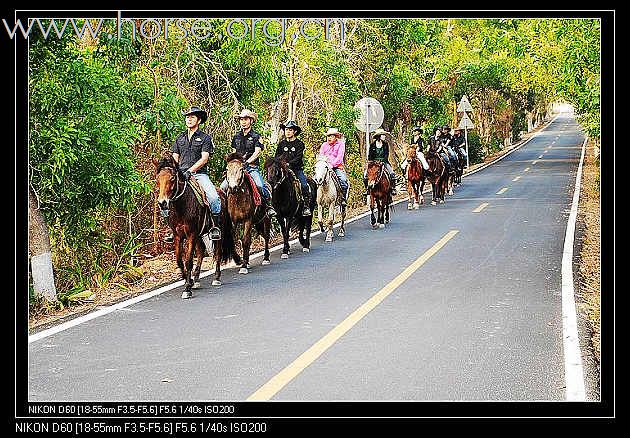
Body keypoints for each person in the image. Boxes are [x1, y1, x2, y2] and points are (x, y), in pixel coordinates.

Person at [171, 106, 222, 241]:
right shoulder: (179, 138)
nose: (189, 119)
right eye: (187, 117)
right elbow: (175, 157)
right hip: (181, 175)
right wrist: (176, 172)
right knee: (166, 197)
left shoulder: (205, 138)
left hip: (199, 174)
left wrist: (190, 171)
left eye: (192, 117)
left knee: (214, 198)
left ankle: (214, 227)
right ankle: (172, 229)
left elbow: (204, 158)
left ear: (198, 120)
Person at [221, 109, 276, 218]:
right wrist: (232, 165)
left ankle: (268, 207)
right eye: (241, 119)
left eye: (245, 119)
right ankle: (224, 213)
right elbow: (234, 153)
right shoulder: (236, 137)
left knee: (260, 186)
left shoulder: (256, 136)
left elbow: (257, 152)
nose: (243, 122)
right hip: (236, 170)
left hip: (251, 168)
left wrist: (247, 162)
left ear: (251, 121)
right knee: (223, 187)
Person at [275, 120, 311, 216]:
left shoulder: (299, 144)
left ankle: (306, 206)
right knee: (273, 183)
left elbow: (298, 157)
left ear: (294, 131)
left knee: (304, 185)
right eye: (286, 130)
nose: (288, 132)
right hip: (283, 170)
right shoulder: (281, 144)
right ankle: (272, 206)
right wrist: (280, 165)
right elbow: (277, 157)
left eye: (290, 130)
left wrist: (289, 164)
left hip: (296, 169)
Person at [319, 128, 349, 206]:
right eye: (328, 136)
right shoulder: (324, 145)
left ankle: (342, 198)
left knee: (343, 181)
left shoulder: (341, 144)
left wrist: (331, 165)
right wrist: (324, 164)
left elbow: (339, 157)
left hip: (336, 167)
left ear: (336, 137)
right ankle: (317, 199)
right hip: (325, 167)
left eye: (331, 136)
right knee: (316, 179)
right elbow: (321, 156)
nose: (329, 138)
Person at [365, 128, 397, 196]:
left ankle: (392, 188)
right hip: (374, 163)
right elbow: (370, 155)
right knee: (365, 175)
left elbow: (386, 154)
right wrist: (371, 162)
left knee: (392, 173)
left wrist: (383, 161)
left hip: (383, 162)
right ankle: (367, 189)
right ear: (378, 136)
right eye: (383, 135)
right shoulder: (372, 145)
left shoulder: (385, 144)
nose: (384, 136)